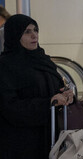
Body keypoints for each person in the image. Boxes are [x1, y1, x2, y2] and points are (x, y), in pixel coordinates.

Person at [0, 14, 75, 159]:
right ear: (14, 35)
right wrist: (48, 103)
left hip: (49, 139)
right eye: (27, 32)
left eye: (36, 30)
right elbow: (9, 106)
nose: (34, 35)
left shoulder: (43, 60)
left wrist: (67, 96)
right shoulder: (5, 66)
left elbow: (56, 88)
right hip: (20, 144)